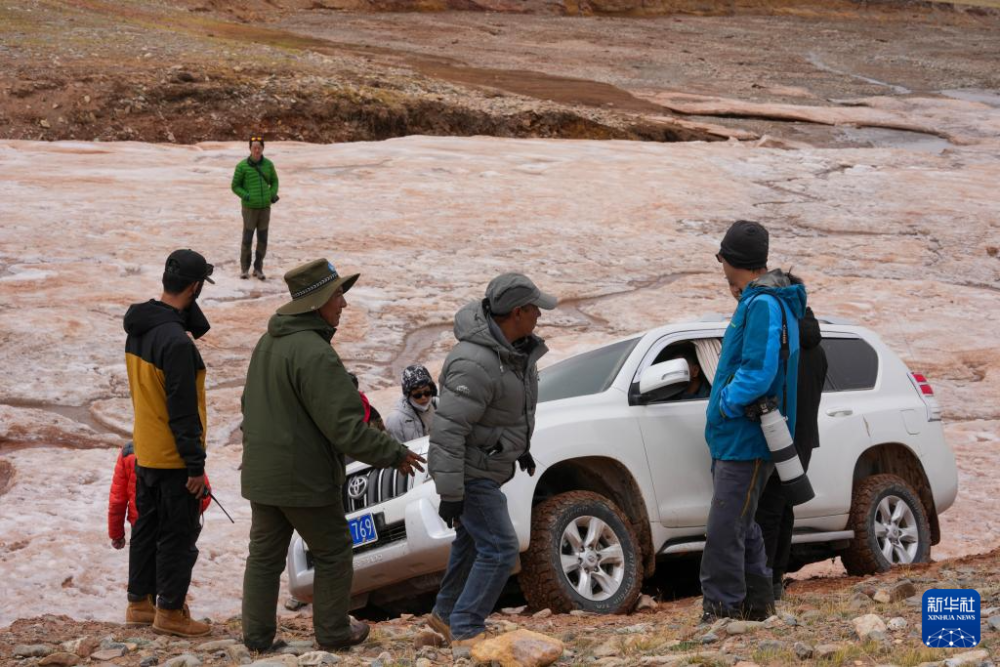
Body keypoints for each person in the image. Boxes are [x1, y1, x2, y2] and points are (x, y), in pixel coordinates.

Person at [240, 258, 425, 653]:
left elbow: (248, 406)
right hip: (303, 478)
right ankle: (334, 632)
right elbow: (345, 429)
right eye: (338, 294)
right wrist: (394, 453)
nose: (343, 302)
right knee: (334, 550)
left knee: (264, 557)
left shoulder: (268, 343)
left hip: (263, 473)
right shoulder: (316, 354)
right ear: (318, 302)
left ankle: (256, 637)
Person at [427, 273, 557, 648]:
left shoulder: (512, 352)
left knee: (471, 543)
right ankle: (468, 627)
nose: (539, 317)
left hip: (484, 466)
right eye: (535, 309)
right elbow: (448, 431)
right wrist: (452, 492)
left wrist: (520, 447)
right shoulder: (476, 362)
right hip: (471, 473)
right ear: (517, 312)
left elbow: (503, 413)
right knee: (500, 548)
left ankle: (446, 616)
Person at [701, 220, 806, 623]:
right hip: (738, 437)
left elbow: (758, 372)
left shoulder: (761, 304)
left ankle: (722, 610)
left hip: (744, 437)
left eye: (721, 258)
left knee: (725, 526)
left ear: (731, 260)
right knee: (743, 525)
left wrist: (726, 403)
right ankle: (757, 608)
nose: (721, 265)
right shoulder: (761, 300)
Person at [123, 249, 215, 636]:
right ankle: (171, 612)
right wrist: (195, 466)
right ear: (195, 287)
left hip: (145, 450)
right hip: (174, 458)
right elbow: (182, 412)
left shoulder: (141, 327)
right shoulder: (176, 343)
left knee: (147, 530)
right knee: (179, 536)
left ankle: (139, 604)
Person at [754, 278, 828, 600]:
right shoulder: (817, 348)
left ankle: (765, 581)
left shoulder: (786, 345)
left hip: (781, 438)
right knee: (783, 511)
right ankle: (775, 578)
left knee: (768, 511)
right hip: (805, 439)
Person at [109, 441, 212, 552]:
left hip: (141, 527)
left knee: (142, 568)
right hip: (175, 527)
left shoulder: (127, 452)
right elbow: (204, 496)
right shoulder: (180, 451)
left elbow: (117, 501)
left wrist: (117, 534)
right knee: (172, 567)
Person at [231, 135, 278, 280]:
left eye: (259, 147)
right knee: (247, 239)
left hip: (265, 208)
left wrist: (271, 194)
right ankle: (245, 269)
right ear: (250, 149)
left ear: (263, 148)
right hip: (250, 209)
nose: (257, 150)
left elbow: (275, 181)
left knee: (262, 239)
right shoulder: (242, 166)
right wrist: (246, 196)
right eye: (254, 147)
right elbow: (235, 186)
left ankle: (258, 268)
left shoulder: (268, 165)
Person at [385, 364, 438, 444]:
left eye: (427, 392)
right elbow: (398, 452)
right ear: (408, 394)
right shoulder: (395, 421)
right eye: (417, 395)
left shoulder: (438, 405)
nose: (423, 397)